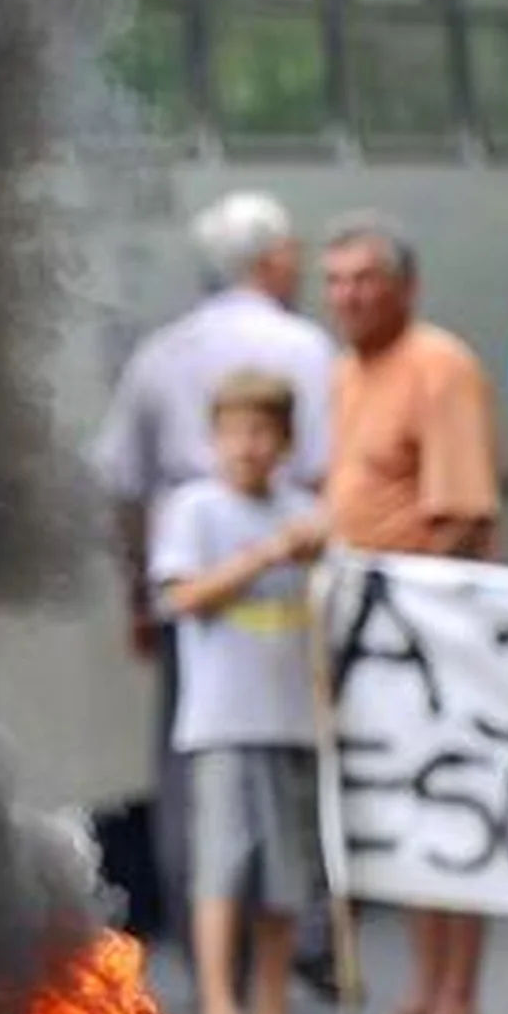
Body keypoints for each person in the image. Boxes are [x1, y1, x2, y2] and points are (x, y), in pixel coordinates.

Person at [88, 191, 336, 949]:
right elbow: (328, 471)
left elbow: (120, 482)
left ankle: (205, 952)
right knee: (294, 775)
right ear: (271, 261)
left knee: (188, 776)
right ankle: (304, 943)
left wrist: (139, 591)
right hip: (280, 587)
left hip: (185, 582)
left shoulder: (161, 352)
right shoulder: (305, 347)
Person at [320, 215, 500, 1014]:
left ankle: (458, 1002)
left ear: (406, 287)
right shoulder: (348, 373)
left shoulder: (439, 367)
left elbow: (463, 512)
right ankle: (423, 995)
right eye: (337, 279)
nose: (349, 295)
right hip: (366, 625)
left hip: (429, 628)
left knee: (451, 812)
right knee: (403, 818)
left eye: (366, 278)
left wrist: (411, 614)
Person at [146, 370, 338, 1014]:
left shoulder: (302, 510)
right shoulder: (197, 510)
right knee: (224, 867)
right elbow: (181, 597)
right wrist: (264, 556)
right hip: (223, 719)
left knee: (287, 875)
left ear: (284, 441)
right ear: (215, 439)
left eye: (262, 433)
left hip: (291, 716)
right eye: (235, 433)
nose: (249, 448)